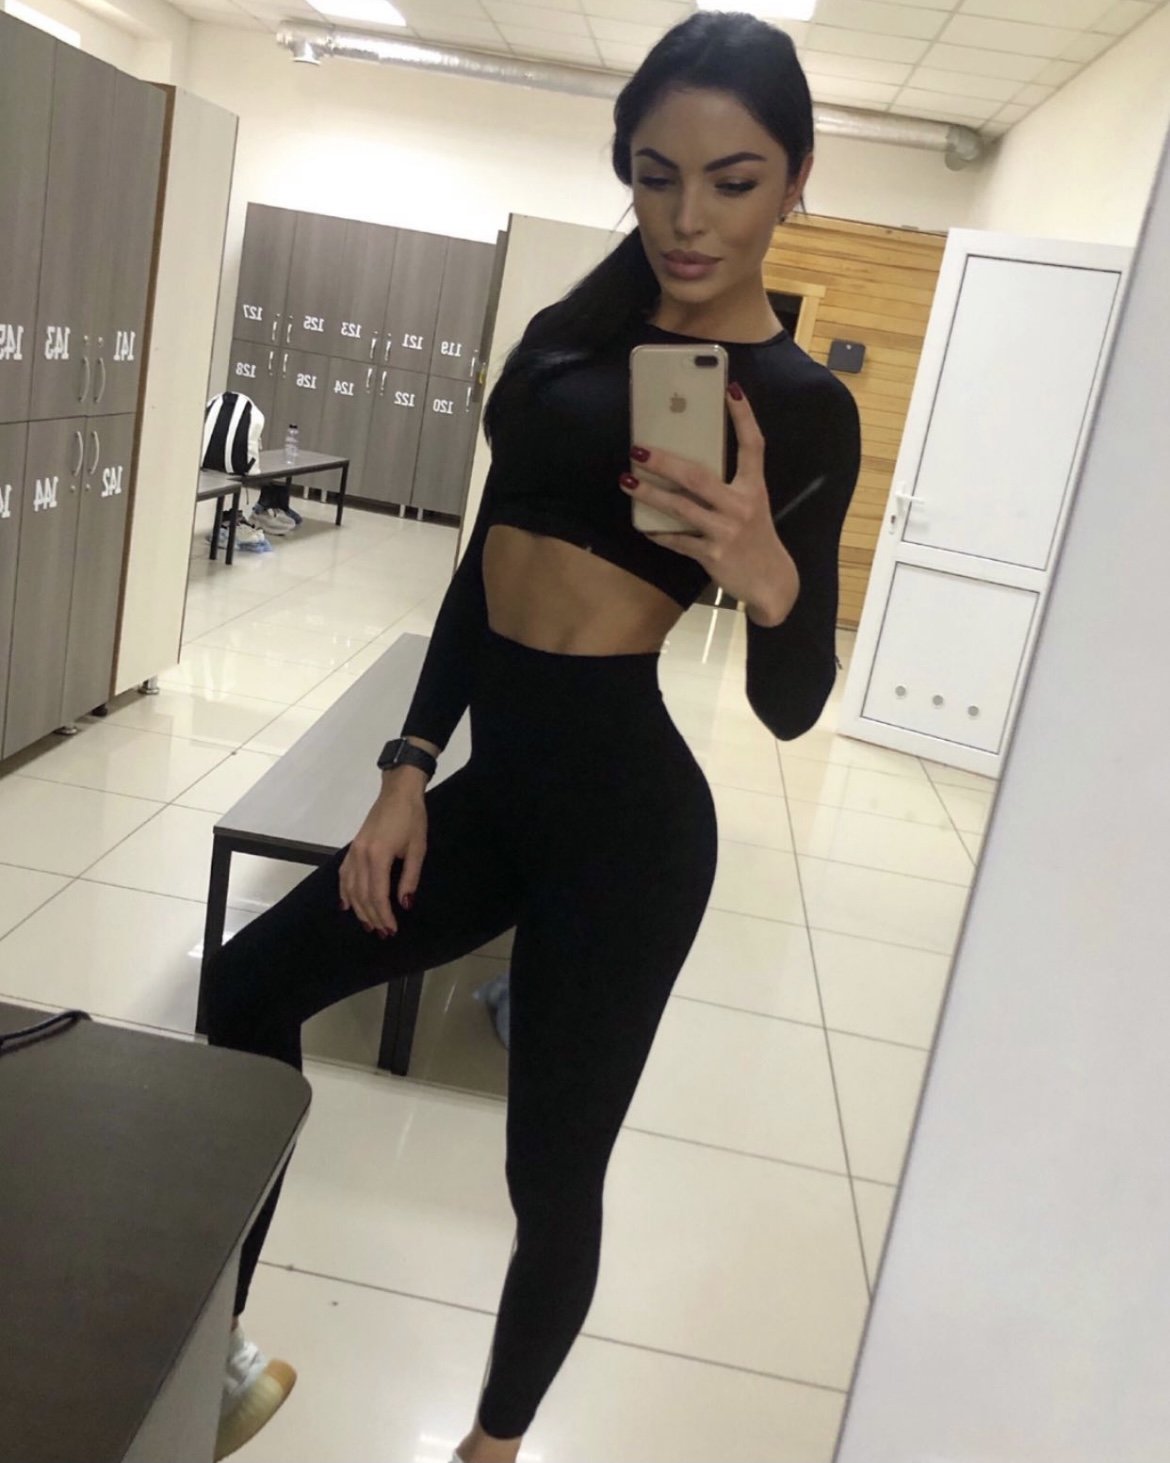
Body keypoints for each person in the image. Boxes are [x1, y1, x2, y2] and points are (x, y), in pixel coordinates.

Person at [204, 11, 861, 1462]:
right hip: (493, 792)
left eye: (734, 181)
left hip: (629, 834)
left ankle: (490, 1448)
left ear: (796, 180)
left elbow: (790, 704)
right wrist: (407, 767)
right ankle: (213, 1355)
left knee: (550, 1176)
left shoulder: (802, 411)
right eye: (655, 175)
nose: (688, 219)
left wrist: (765, 576)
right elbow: (481, 569)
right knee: (245, 989)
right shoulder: (574, 340)